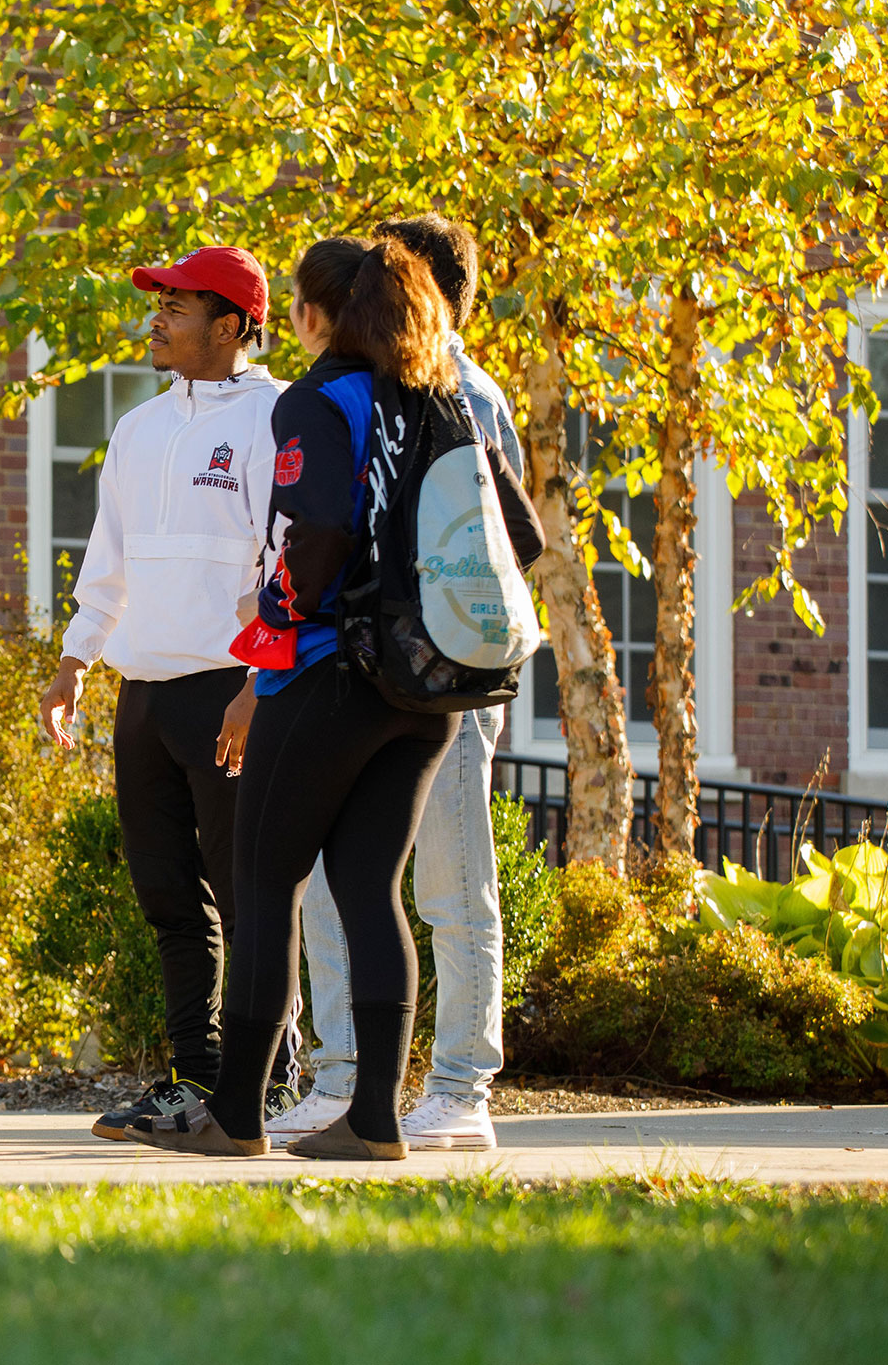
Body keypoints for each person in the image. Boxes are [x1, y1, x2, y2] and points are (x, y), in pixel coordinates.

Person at [126, 235, 543, 1160]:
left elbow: (313, 532)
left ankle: (236, 1116)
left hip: (328, 673)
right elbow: (523, 533)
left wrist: (273, 609)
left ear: (316, 315)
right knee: (369, 889)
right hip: (428, 690)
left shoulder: (321, 398)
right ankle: (375, 1120)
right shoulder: (444, 397)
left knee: (264, 880)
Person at [33, 246, 306, 1141]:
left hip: (231, 689)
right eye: (160, 305)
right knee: (169, 902)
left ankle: (267, 1082)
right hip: (143, 693)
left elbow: (287, 563)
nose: (157, 320)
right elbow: (107, 555)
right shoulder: (141, 427)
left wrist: (261, 684)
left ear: (232, 325)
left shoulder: (276, 419)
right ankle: (194, 1081)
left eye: (178, 307)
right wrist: (77, 660)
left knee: (248, 891)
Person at [268, 214, 528, 1153]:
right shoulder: (374, 387)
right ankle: (343, 1077)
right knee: (350, 885)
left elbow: (509, 538)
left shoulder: (465, 390)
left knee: (451, 884)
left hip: (444, 667)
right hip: (377, 665)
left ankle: (463, 1084)